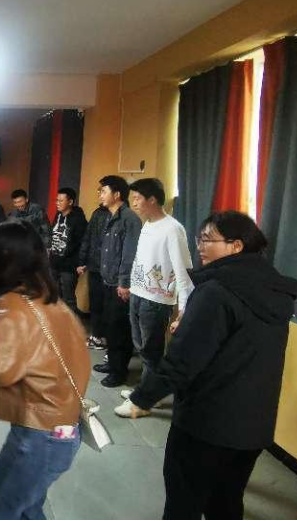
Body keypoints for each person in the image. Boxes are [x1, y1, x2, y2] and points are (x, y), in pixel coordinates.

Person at [118, 211, 297, 520]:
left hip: (207, 424)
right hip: (254, 425)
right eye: (199, 238)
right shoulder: (272, 290)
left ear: (236, 246)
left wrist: (142, 397)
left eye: (208, 240)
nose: (200, 246)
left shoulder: (217, 291)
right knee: (226, 502)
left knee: (183, 503)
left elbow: (183, 360)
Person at [0, 220, 90, 520]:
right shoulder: (51, 299)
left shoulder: (14, 306)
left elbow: (0, 369)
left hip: (40, 436)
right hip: (64, 429)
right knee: (26, 510)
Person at [115, 178, 194, 416]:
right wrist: (130, 285)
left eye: (137, 198)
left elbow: (183, 271)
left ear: (152, 200)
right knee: (142, 348)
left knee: (151, 352)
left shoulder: (173, 229)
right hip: (138, 293)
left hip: (157, 300)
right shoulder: (147, 225)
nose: (134, 203)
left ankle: (144, 402)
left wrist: (184, 308)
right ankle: (147, 391)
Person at [94, 175, 142, 388]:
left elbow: (129, 254)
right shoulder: (110, 216)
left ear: (117, 194)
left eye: (103, 191)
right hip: (108, 280)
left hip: (119, 284)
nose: (100, 195)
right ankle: (112, 363)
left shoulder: (129, 218)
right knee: (110, 326)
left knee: (119, 329)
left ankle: (119, 372)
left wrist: (124, 282)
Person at [48, 187, 87, 316]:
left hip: (69, 265)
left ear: (70, 202)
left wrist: (81, 262)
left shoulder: (78, 219)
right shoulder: (58, 215)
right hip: (54, 262)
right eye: (56, 200)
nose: (57, 203)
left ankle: (71, 324)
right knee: (55, 295)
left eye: (61, 200)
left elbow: (82, 242)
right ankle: (57, 321)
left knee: (68, 298)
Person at [77, 203, 110, 350]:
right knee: (95, 303)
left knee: (107, 305)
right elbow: (88, 237)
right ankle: (96, 336)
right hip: (95, 266)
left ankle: (106, 338)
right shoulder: (97, 213)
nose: (101, 195)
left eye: (103, 192)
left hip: (110, 270)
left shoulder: (123, 216)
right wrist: (82, 261)